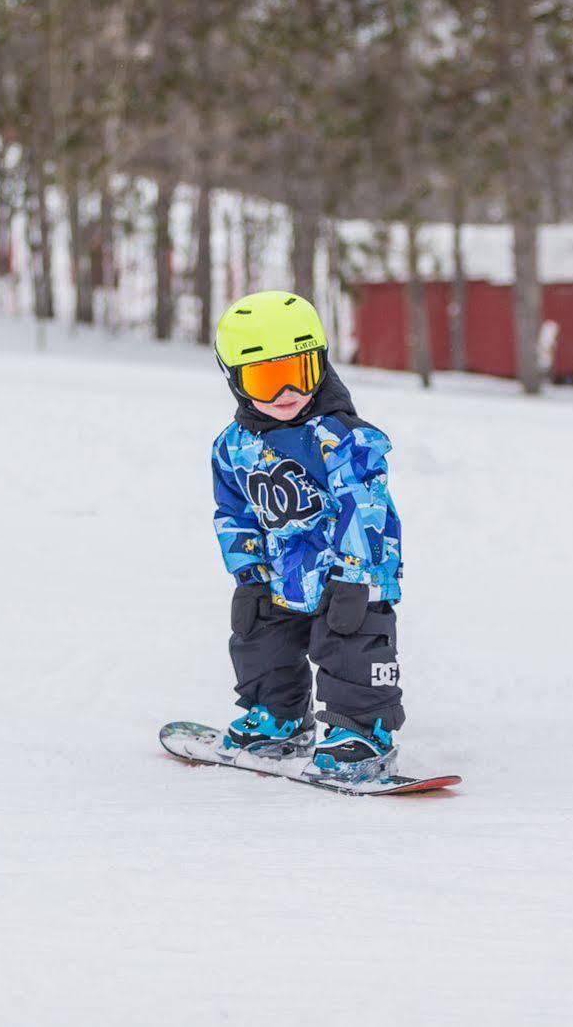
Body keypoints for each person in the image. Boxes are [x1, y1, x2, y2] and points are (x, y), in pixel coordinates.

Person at [208, 290, 405, 780]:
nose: (285, 394)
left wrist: (355, 576)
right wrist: (249, 574)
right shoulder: (233, 447)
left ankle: (361, 729)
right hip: (282, 571)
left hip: (352, 570)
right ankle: (280, 718)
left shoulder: (343, 438)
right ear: (233, 379)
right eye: (265, 380)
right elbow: (233, 512)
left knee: (350, 644)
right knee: (259, 641)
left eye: (298, 373)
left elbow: (366, 508)